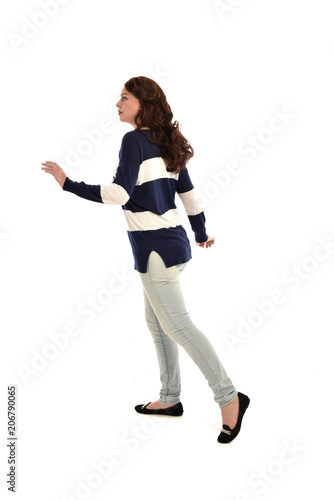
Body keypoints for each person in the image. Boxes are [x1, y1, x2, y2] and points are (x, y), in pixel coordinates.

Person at [41, 76, 250, 443]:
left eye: (124, 98)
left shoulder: (134, 140)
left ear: (142, 103)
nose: (117, 104)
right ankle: (170, 399)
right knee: (159, 325)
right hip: (175, 246)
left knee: (179, 327)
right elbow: (189, 196)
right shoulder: (165, 140)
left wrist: (68, 183)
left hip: (155, 252)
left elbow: (119, 194)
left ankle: (229, 397)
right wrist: (201, 235)